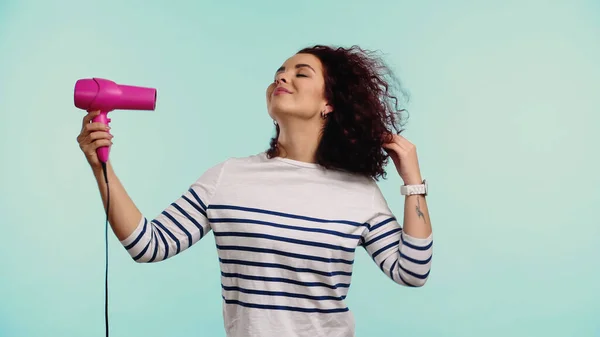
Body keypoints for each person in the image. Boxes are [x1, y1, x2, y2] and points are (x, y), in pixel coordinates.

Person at [77, 45, 433, 337]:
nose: (282, 76)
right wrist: (101, 167)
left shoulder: (359, 192)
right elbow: (148, 245)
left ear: (329, 103)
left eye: (300, 73)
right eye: (279, 71)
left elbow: (412, 271)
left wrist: (412, 181)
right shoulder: (228, 177)